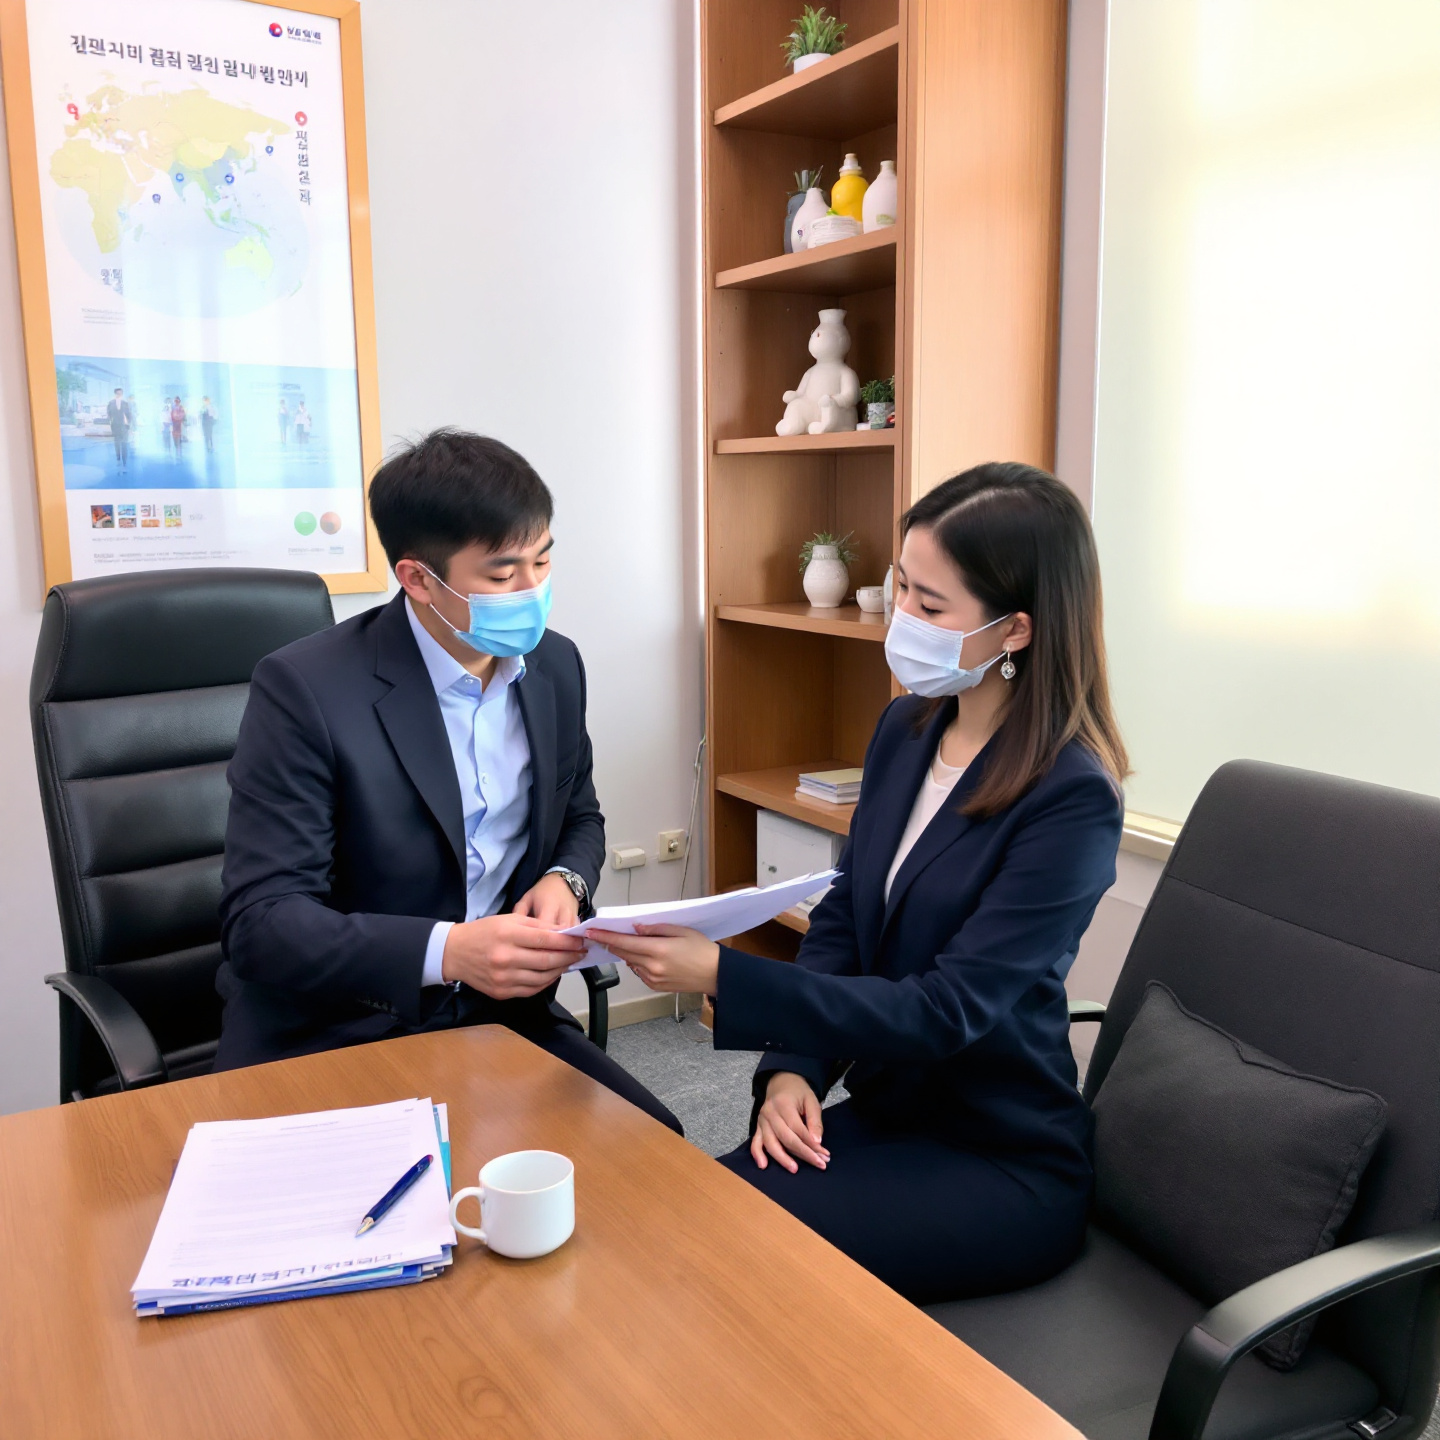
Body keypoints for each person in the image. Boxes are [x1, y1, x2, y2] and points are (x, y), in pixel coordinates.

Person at [592, 462, 1127, 1302]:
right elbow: (846, 916)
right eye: (900, 585)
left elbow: (944, 1011)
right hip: (886, 1110)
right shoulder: (906, 728)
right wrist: (793, 1070)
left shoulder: (1072, 798)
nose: (901, 617)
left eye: (930, 605)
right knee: (689, 1214)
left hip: (999, 1155)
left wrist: (724, 974)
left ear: (1016, 630)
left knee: (720, 1257)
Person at [215, 429, 681, 1133]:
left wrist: (566, 880)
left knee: (655, 1152)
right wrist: (448, 952)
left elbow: (580, 816)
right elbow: (263, 923)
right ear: (417, 579)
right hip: (345, 1027)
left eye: (543, 560)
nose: (532, 590)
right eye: (501, 575)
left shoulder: (555, 667)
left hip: (503, 1015)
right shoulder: (306, 689)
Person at [106, 387, 130, 472]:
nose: (119, 395)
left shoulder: (125, 403)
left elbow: (128, 415)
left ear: (122, 394)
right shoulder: (111, 403)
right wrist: (110, 422)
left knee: (124, 444)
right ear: (115, 394)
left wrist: (129, 425)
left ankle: (124, 461)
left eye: (121, 393)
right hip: (115, 426)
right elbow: (109, 414)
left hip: (124, 426)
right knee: (117, 443)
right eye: (118, 393)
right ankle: (118, 459)